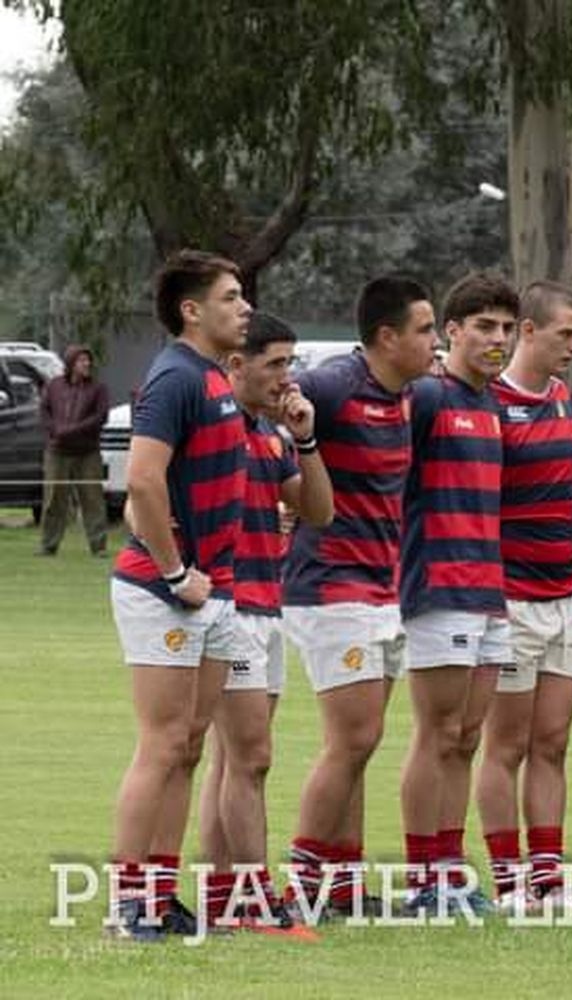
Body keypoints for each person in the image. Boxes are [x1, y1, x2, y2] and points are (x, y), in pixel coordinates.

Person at [107, 250, 252, 940]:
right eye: (230, 297)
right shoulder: (174, 377)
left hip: (214, 592)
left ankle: (161, 896)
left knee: (190, 745)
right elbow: (141, 482)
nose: (244, 307)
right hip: (164, 593)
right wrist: (173, 574)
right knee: (162, 744)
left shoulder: (215, 376)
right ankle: (127, 902)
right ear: (192, 310)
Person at [281, 276, 436, 918]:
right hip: (328, 586)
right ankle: (299, 880)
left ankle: (342, 887)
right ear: (386, 337)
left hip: (380, 587)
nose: (437, 341)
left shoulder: (409, 397)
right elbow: (269, 413)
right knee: (355, 737)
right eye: (426, 330)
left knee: (359, 742)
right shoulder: (333, 386)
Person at [196, 311, 334, 929]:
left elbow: (319, 511)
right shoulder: (217, 426)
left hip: (265, 604)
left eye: (291, 363)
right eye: (276, 363)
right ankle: (251, 896)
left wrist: (305, 439)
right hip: (229, 608)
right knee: (250, 757)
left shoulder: (271, 433)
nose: (288, 376)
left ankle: (225, 895)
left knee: (232, 759)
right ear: (237, 365)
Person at [397, 273, 516, 914]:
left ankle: (450, 868)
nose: (496, 340)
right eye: (484, 327)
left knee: (468, 736)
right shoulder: (427, 397)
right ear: (452, 332)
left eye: (504, 328)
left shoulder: (492, 404)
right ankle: (424, 878)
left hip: (489, 589)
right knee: (437, 731)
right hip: (438, 585)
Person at [479, 280, 572, 907]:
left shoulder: (563, 402)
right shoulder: (490, 401)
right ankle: (507, 881)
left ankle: (547, 881)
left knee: (553, 742)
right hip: (510, 599)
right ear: (526, 331)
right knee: (508, 745)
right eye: (564, 334)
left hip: (565, 596)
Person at [38, 344, 110, 557]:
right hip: (57, 452)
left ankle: (98, 547)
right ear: (71, 364)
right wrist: (54, 431)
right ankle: (48, 545)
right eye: (81, 360)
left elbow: (100, 417)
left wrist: (70, 431)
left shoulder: (98, 388)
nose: (87, 364)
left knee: (93, 499)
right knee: (53, 499)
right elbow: (44, 410)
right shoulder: (54, 386)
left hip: (87, 452)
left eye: (88, 360)